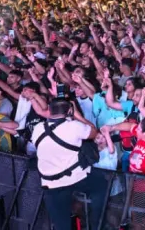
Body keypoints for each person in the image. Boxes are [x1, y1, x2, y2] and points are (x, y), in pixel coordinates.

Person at [32, 98, 107, 230]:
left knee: (61, 225)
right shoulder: (74, 126)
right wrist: (77, 116)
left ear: (49, 111)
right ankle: (96, 225)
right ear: (69, 111)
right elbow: (93, 132)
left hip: (50, 183)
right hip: (75, 178)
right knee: (102, 183)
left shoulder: (38, 128)